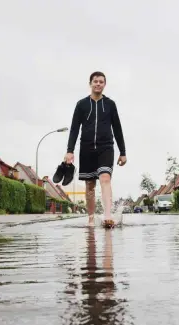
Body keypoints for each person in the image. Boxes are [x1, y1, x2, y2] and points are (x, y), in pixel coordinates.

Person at [64, 71, 127, 226]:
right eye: (95, 81)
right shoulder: (81, 104)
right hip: (86, 148)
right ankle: (91, 218)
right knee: (90, 185)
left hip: (106, 147)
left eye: (101, 82)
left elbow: (117, 128)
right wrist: (70, 150)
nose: (98, 84)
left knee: (105, 178)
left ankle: (107, 216)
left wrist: (123, 152)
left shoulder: (110, 104)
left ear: (104, 84)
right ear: (90, 83)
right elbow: (74, 128)